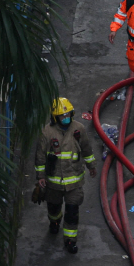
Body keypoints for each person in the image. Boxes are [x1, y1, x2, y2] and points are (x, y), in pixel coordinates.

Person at [34, 98, 96, 254]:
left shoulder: (78, 129)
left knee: (72, 212)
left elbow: (86, 149)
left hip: (74, 182)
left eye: (68, 114)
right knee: (53, 208)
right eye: (62, 116)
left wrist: (92, 166)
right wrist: (40, 176)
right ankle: (54, 222)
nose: (66, 118)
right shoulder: (47, 132)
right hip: (53, 182)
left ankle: (70, 240)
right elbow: (40, 156)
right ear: (55, 118)